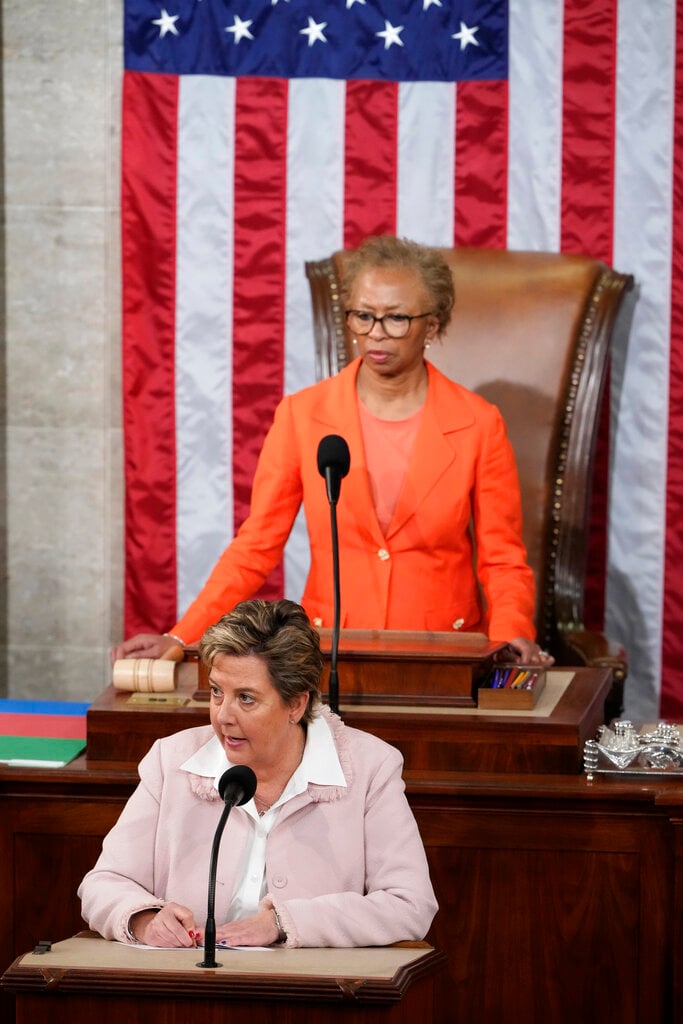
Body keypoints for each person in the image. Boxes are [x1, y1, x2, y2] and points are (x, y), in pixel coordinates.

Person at [112, 235, 552, 668]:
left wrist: (511, 638)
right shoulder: (303, 415)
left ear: (432, 325)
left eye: (396, 318)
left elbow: (503, 559)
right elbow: (256, 547)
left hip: (443, 657)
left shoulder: (479, 423)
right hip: (329, 654)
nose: (375, 334)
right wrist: (180, 636)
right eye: (363, 316)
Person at [81, 599, 438, 948]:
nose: (223, 716)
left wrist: (285, 923)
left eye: (246, 698)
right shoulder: (171, 760)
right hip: (188, 990)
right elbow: (104, 883)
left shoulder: (370, 768)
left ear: (296, 704)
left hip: (311, 995)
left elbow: (410, 904)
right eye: (218, 692)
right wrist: (144, 919)